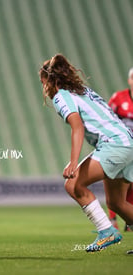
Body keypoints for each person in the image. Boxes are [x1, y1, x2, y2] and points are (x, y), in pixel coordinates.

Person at [39, 54, 133, 252]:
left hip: (114, 144)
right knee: (116, 202)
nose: (44, 89)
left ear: (50, 81)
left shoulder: (61, 96)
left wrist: (73, 162)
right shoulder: (83, 91)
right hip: (127, 142)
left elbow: (78, 127)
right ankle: (108, 229)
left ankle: (106, 231)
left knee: (73, 184)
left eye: (43, 83)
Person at [107, 68, 133, 231]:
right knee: (116, 182)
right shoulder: (118, 98)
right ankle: (112, 220)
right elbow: (108, 118)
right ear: (129, 80)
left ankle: (128, 222)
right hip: (121, 147)